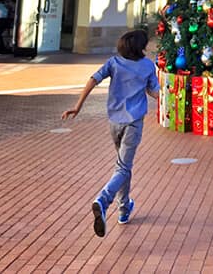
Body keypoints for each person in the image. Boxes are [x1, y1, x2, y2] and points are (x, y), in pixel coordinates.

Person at [61, 28, 159, 237]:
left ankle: (124, 210)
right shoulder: (148, 66)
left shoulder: (114, 63)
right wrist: (167, 97)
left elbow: (92, 80)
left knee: (123, 167)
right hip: (133, 124)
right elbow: (153, 91)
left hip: (114, 122)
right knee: (123, 167)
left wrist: (78, 106)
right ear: (140, 47)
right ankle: (103, 200)